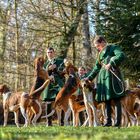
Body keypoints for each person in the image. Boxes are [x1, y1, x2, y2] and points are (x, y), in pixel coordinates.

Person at [85, 35, 126, 127]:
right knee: (106, 100)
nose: (98, 48)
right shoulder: (100, 55)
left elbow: (121, 55)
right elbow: (96, 68)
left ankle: (118, 123)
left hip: (113, 78)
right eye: (96, 47)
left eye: (98, 46)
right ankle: (108, 122)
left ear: (103, 42)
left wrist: (111, 63)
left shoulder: (113, 48)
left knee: (116, 100)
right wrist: (89, 78)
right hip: (103, 80)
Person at [42, 47, 65, 126]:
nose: (49, 54)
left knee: (61, 102)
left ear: (54, 53)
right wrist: (48, 69)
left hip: (58, 83)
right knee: (48, 103)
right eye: (48, 52)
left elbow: (64, 72)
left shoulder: (60, 61)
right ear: (46, 53)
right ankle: (49, 122)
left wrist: (57, 69)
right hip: (48, 84)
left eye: (51, 52)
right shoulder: (44, 64)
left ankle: (61, 122)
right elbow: (42, 75)